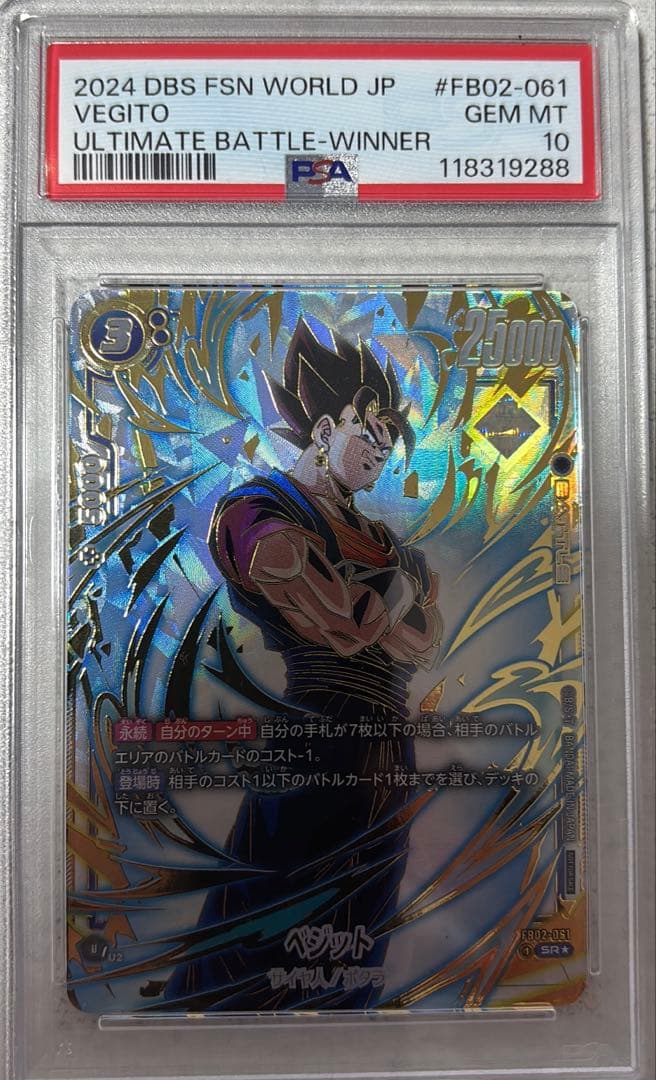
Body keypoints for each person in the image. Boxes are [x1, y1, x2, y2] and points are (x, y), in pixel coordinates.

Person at [165, 319, 442, 1010]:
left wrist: (385, 598)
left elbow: (423, 639)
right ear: (322, 429)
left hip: (386, 752)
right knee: (260, 930)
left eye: (390, 440)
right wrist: (394, 595)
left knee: (357, 946)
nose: (381, 451)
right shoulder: (257, 511)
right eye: (368, 432)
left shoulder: (383, 540)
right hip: (316, 741)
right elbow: (344, 625)